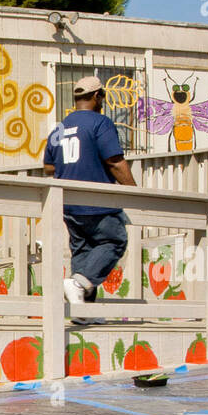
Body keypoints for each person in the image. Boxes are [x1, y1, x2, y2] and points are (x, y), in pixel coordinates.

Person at [42, 75, 137, 322]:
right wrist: (135, 191)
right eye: (102, 96)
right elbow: (114, 161)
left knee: (83, 252)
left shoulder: (60, 128)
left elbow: (48, 167)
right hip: (97, 202)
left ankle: (82, 313)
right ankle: (79, 283)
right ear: (97, 97)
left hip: (69, 204)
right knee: (114, 241)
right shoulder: (100, 123)